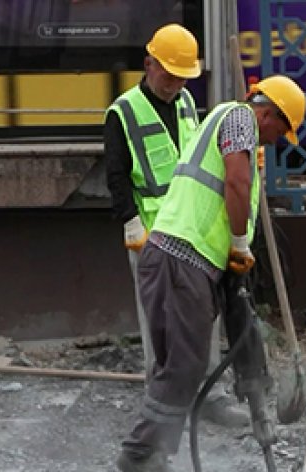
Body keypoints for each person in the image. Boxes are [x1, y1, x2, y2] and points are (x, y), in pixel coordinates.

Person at [115, 74, 306, 472]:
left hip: (184, 259)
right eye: (280, 131)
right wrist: (239, 244)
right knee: (186, 363)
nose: (275, 142)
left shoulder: (233, 126)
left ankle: (150, 454)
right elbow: (235, 183)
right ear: (269, 113)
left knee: (179, 364)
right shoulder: (239, 119)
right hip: (181, 257)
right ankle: (142, 455)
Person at [104, 23, 246, 429]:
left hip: (195, 232)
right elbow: (116, 174)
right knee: (159, 324)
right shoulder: (123, 112)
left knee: (205, 316)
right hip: (152, 235)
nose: (176, 84)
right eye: (169, 76)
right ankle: (161, 405)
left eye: (183, 77)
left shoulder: (185, 103)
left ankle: (211, 398)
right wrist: (130, 222)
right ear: (149, 64)